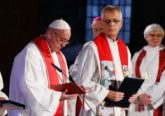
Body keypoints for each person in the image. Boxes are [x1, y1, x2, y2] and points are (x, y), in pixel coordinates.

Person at [70, 5, 136, 116]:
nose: (111, 24)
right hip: (98, 108)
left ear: (121, 24)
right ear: (102, 23)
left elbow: (128, 77)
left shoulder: (125, 49)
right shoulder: (92, 48)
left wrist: (131, 93)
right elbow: (83, 81)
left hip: (119, 109)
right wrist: (106, 93)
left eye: (115, 21)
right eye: (107, 21)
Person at [8, 19, 78, 116]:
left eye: (66, 42)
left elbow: (62, 82)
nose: (63, 45)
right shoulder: (31, 54)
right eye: (61, 40)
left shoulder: (60, 56)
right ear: (50, 34)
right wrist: (57, 96)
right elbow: (30, 88)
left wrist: (72, 89)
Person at [128, 23, 165, 116]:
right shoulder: (137, 55)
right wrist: (139, 95)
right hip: (136, 101)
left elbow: (163, 84)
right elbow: (130, 76)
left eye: (159, 35)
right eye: (152, 35)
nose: (155, 38)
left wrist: (147, 97)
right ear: (146, 36)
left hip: (154, 102)